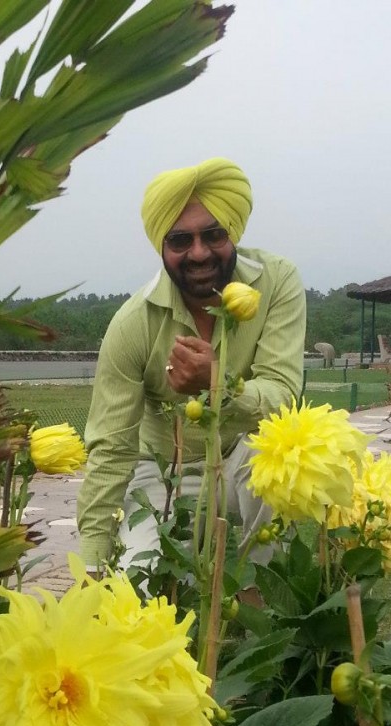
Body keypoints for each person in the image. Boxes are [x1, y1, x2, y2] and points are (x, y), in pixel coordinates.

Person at [77, 157, 306, 573]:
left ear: (232, 232)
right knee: (139, 587)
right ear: (161, 246)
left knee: (275, 455)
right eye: (180, 240)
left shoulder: (275, 284)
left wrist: (220, 384)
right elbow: (111, 447)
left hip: (242, 459)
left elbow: (283, 396)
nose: (199, 252)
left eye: (213, 234)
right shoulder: (134, 324)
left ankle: (261, 603)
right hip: (166, 472)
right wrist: (91, 564)